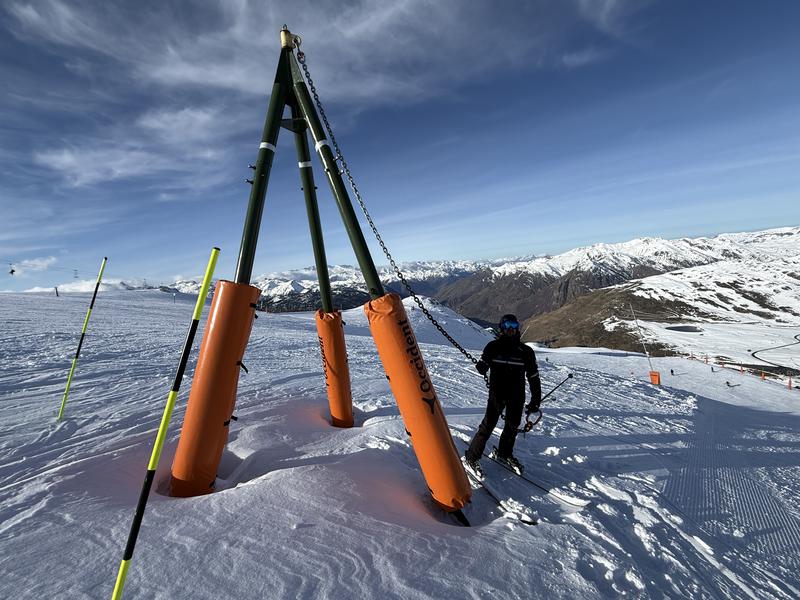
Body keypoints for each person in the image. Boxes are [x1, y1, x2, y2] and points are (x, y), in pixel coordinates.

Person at [464, 314, 542, 476]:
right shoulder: (493, 347)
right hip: (497, 394)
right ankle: (471, 457)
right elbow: (483, 366)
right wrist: (482, 366)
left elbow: (533, 377)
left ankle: (504, 454)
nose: (511, 329)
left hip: (517, 395)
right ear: (501, 328)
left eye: (514, 325)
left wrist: (535, 399)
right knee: (488, 425)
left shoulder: (526, 351)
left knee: (512, 426)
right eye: (507, 325)